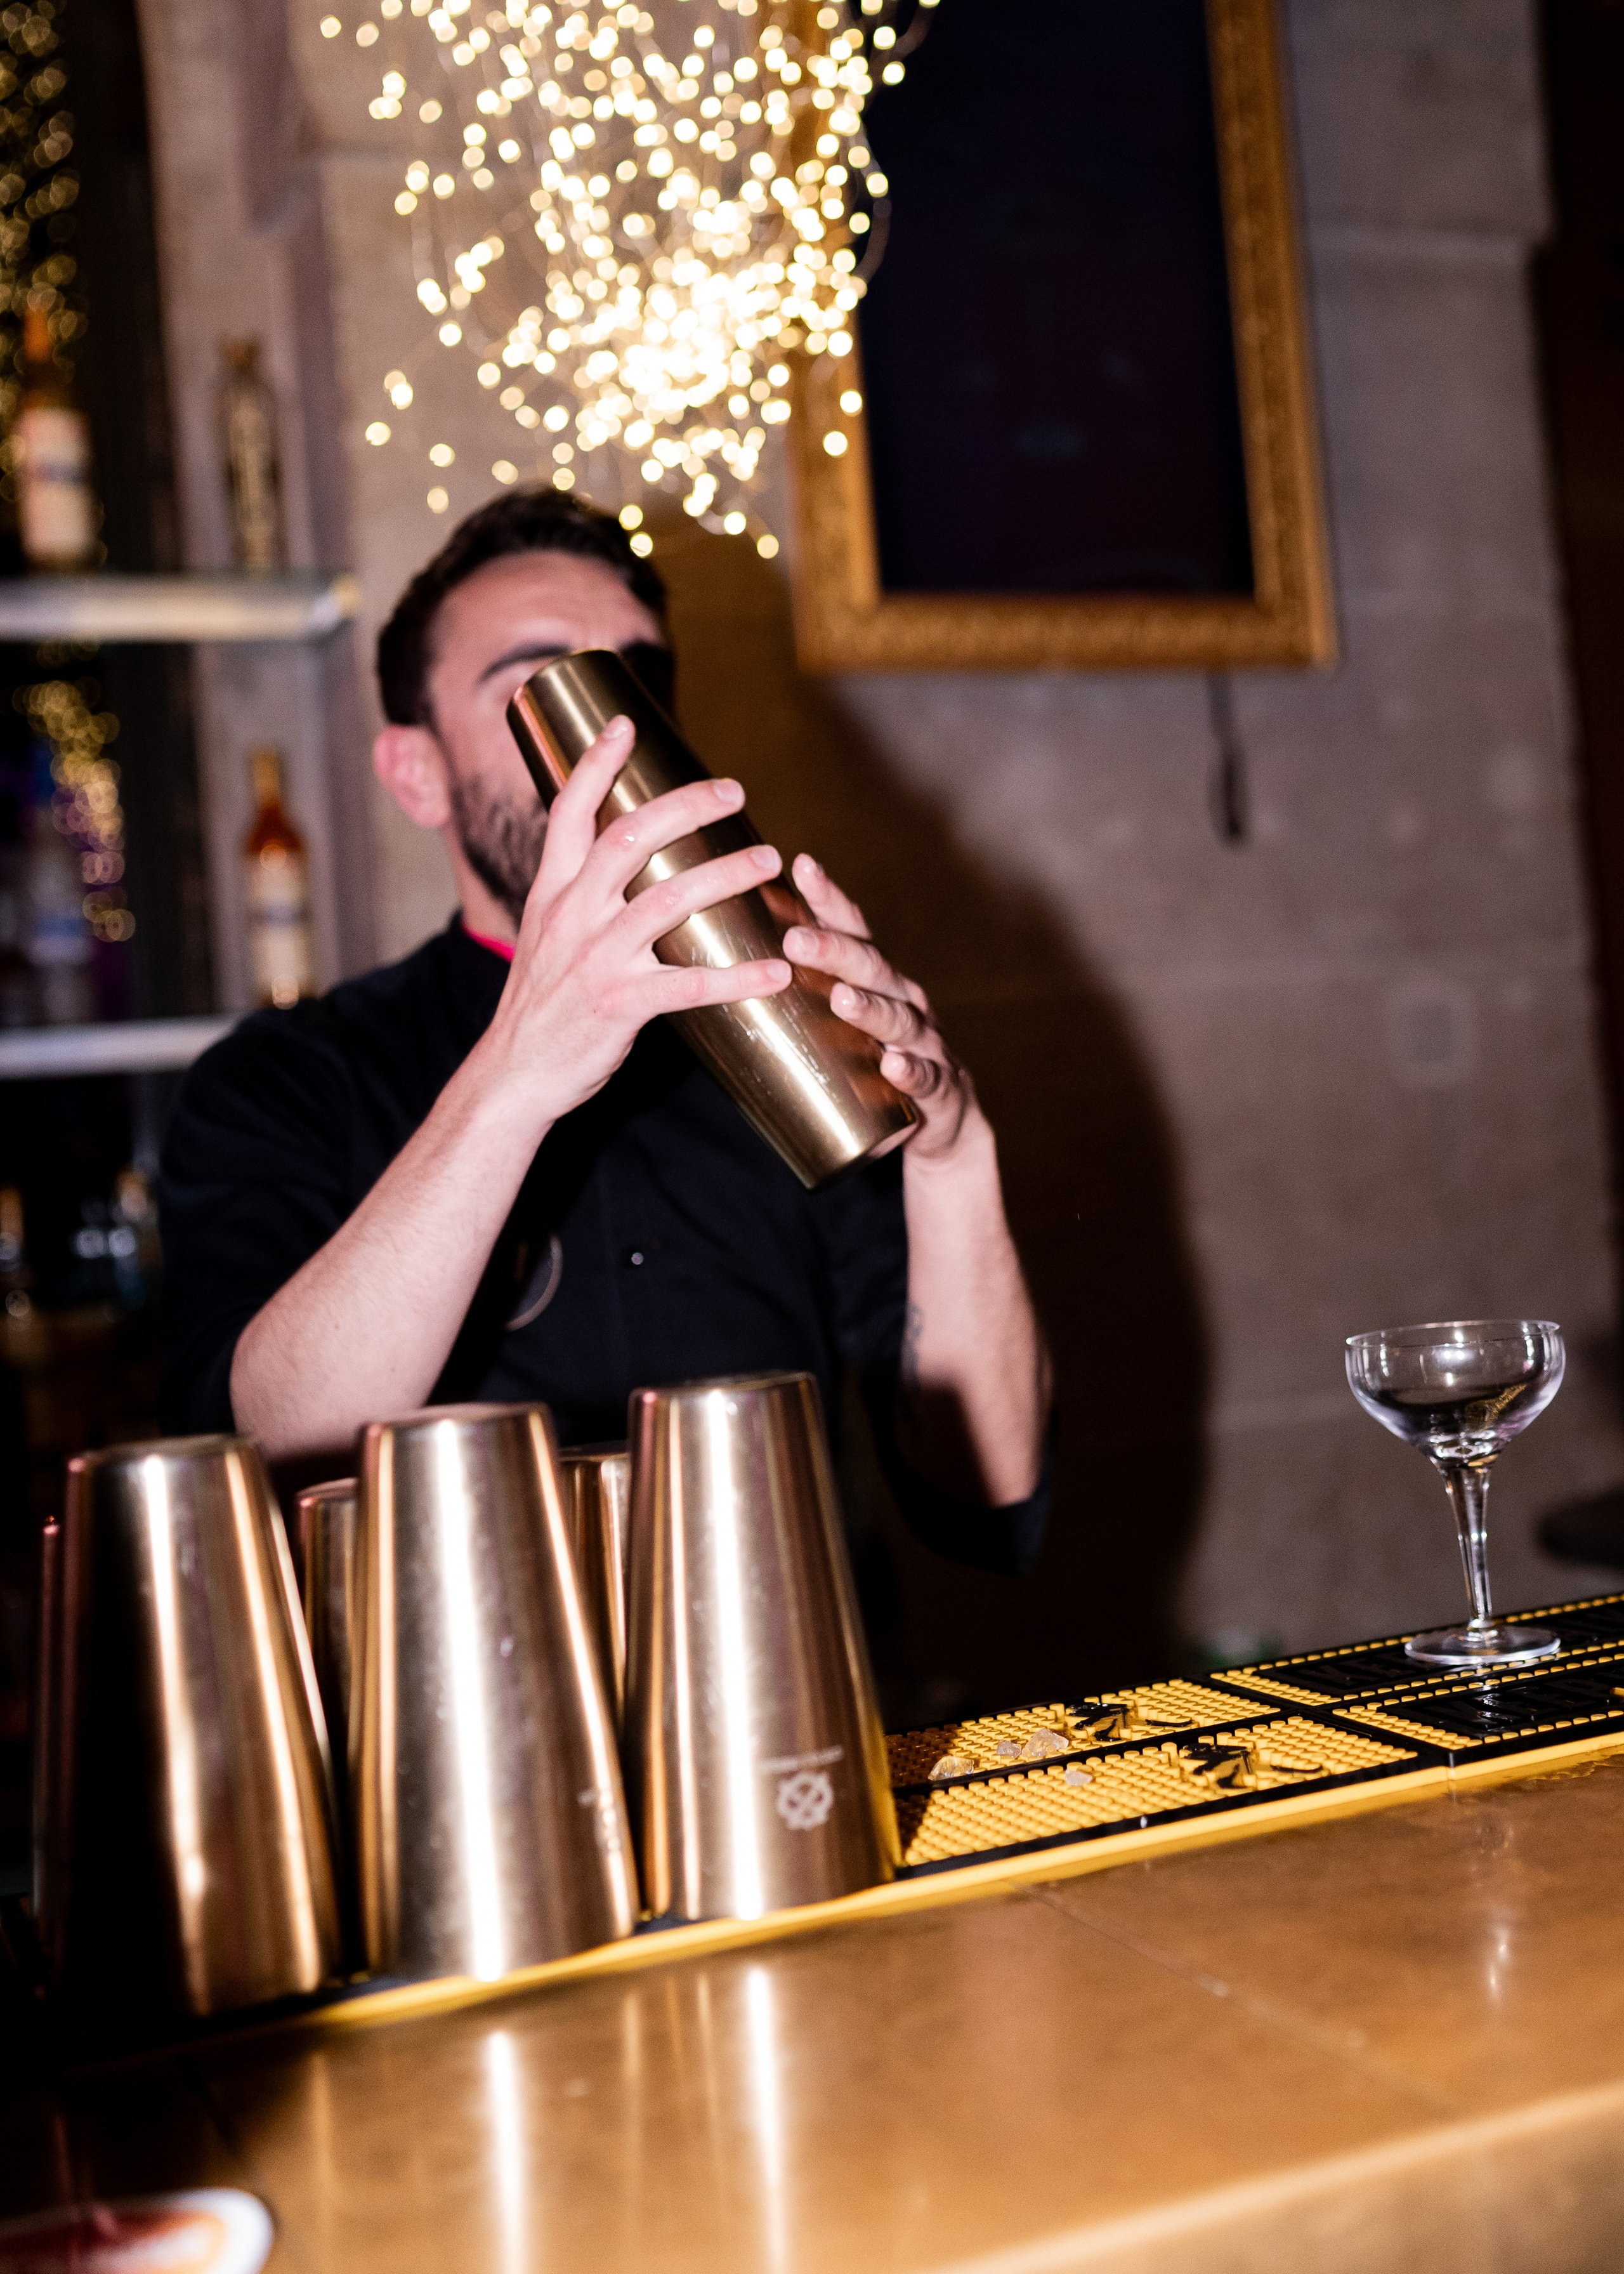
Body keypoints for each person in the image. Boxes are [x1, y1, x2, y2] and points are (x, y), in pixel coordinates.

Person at [159, 492, 1052, 1574]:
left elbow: (983, 1502)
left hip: (787, 1712)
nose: (614, 739)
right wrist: (511, 1081)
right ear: (417, 771)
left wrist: (953, 1154)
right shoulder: (286, 1080)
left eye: (639, 677)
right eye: (540, 685)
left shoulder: (781, 1033)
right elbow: (265, 1458)